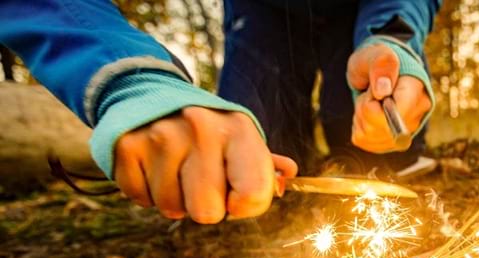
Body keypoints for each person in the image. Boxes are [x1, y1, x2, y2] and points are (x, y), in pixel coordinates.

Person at [0, 0, 440, 224]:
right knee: (242, 164)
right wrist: (130, 78)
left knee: (379, 148)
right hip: (262, 16)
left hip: (364, 10)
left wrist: (394, 37)